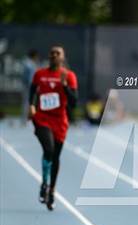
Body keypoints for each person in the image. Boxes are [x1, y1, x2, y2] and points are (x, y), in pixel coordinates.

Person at [28, 46, 78, 210]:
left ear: (63, 58)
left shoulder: (69, 76)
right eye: (52, 53)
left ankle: (52, 190)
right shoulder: (40, 74)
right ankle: (44, 183)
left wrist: (64, 86)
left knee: (55, 157)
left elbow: (74, 102)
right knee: (48, 149)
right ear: (49, 56)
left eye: (58, 54)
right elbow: (33, 89)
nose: (54, 55)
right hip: (42, 118)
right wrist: (31, 105)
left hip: (60, 121)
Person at [21, 49, 39, 125]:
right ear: (34, 56)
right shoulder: (30, 64)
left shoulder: (26, 63)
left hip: (26, 86)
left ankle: (25, 120)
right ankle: (26, 120)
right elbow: (30, 78)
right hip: (29, 86)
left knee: (27, 103)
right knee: (28, 103)